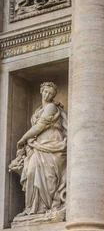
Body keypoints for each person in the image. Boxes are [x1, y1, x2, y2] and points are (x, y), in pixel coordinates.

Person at [9, 81, 67, 221]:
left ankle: (44, 207)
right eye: (46, 91)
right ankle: (32, 208)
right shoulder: (38, 110)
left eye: (51, 93)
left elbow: (40, 126)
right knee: (30, 172)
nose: (47, 95)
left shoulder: (51, 107)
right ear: (41, 91)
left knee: (48, 176)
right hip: (38, 144)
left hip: (52, 142)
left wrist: (23, 138)